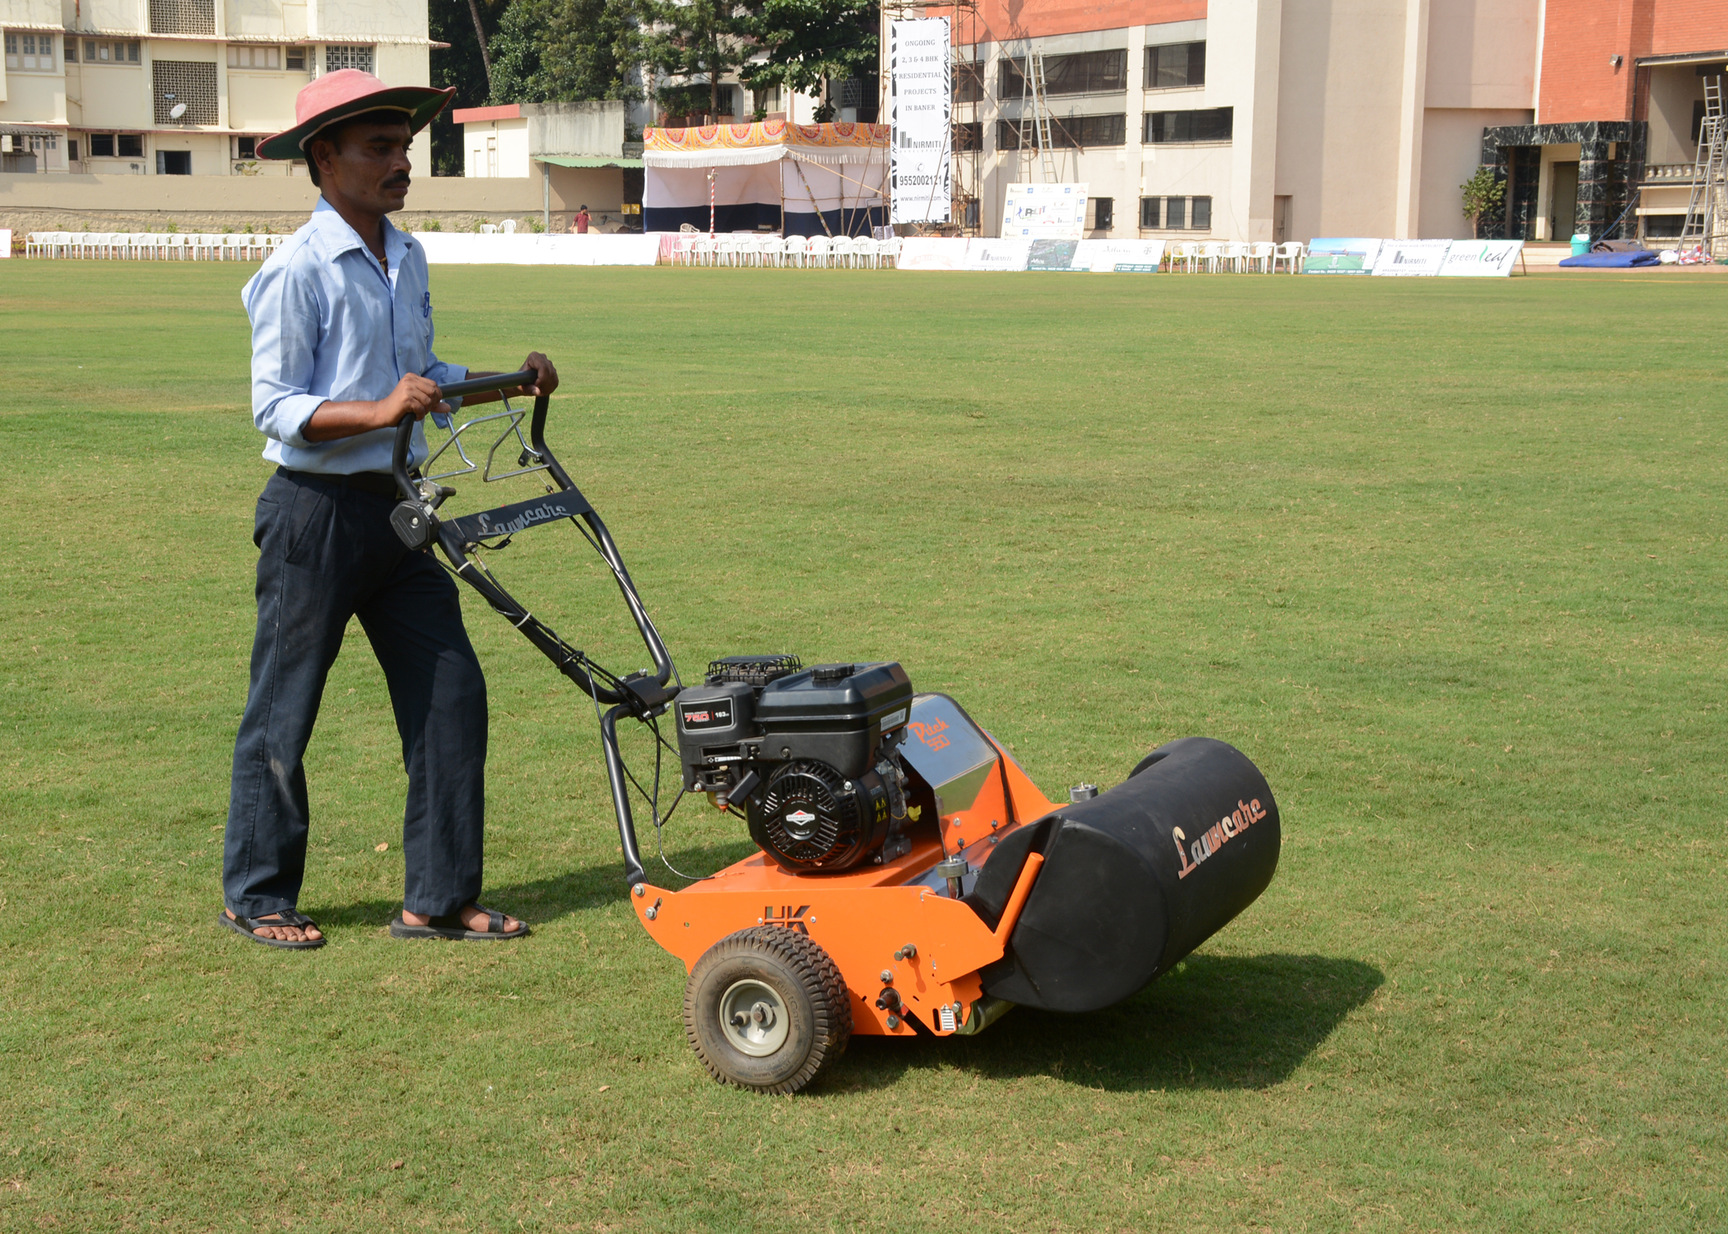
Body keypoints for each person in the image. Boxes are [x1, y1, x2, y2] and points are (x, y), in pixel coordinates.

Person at [219, 69, 557, 949]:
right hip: (313, 515)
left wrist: (506, 382)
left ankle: (437, 899)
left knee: (453, 694)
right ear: (323, 158)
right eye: (379, 147)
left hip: (399, 514)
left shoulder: (405, 257)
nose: (400, 162)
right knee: (284, 709)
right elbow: (277, 405)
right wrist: (379, 411)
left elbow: (425, 377)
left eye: (404, 146)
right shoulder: (298, 268)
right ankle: (257, 895)